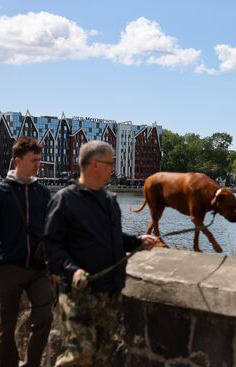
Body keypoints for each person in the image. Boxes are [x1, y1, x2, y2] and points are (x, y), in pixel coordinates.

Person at [44, 141, 161, 366]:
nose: (113, 169)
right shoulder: (65, 200)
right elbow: (52, 245)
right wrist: (73, 270)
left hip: (110, 292)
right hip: (79, 294)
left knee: (101, 355)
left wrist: (137, 241)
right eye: (110, 163)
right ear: (94, 164)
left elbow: (113, 239)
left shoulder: (109, 200)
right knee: (80, 354)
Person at [0, 137, 53, 367]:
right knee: (6, 326)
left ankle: (32, 364)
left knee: (45, 318)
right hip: (9, 268)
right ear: (17, 160)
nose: (38, 164)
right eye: (33, 160)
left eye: (39, 159)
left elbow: (51, 233)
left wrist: (54, 267)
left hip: (38, 269)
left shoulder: (42, 193)